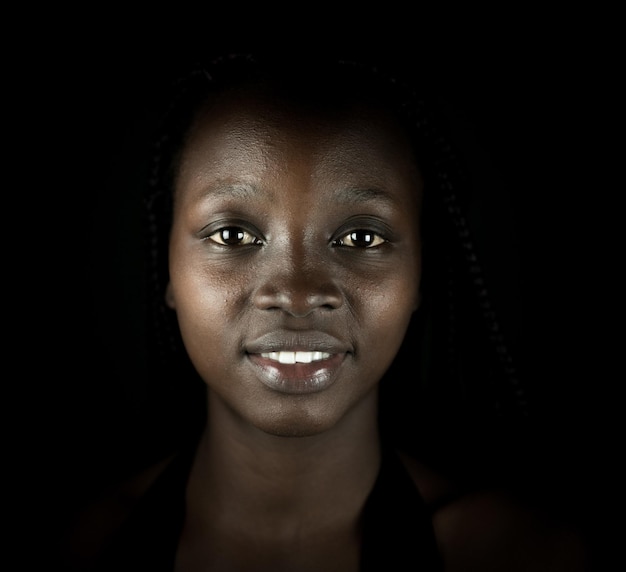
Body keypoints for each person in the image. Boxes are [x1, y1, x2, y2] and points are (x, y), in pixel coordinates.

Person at [56, 52, 590, 571]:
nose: (296, 291)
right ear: (167, 269)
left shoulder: (517, 555)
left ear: (421, 274)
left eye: (361, 236)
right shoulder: (85, 547)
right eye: (233, 234)